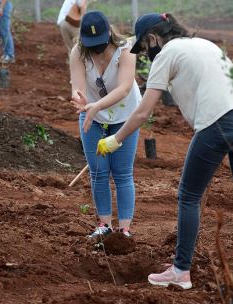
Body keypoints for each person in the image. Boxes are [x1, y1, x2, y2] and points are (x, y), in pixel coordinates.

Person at [96, 13, 233, 289]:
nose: (146, 56)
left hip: (217, 122)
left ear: (153, 38)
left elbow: (143, 112)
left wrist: (116, 140)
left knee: (188, 196)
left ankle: (180, 271)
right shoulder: (204, 44)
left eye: (145, 49)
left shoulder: (166, 54)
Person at [70, 11, 142, 238]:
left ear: (109, 33)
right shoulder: (78, 52)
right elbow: (78, 87)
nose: (96, 49)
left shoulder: (127, 50)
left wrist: (96, 106)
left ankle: (124, 230)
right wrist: (80, 100)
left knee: (122, 173)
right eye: (91, 45)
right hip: (93, 116)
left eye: (99, 44)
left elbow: (124, 88)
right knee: (98, 173)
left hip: (125, 117)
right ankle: (103, 225)